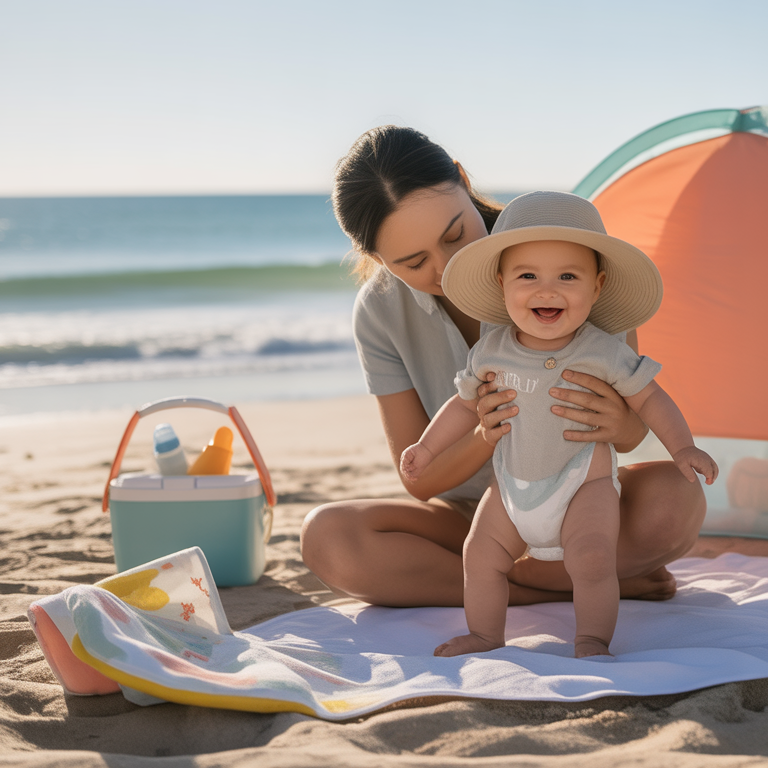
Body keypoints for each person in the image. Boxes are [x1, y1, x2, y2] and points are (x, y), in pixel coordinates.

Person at [299, 125, 708, 609]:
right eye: (412, 262)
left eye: (455, 234)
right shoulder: (380, 311)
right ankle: (544, 586)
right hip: (477, 519)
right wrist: (483, 434)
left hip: (580, 501)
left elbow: (631, 429)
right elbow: (420, 479)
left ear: (462, 179)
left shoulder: (566, 259)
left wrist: (621, 421)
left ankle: (519, 579)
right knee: (328, 538)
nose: (446, 267)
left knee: (678, 500)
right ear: (376, 259)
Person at [399, 191, 718, 657]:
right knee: (480, 555)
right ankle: (486, 634)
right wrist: (426, 449)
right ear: (502, 283)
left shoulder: (601, 350)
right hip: (510, 490)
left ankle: (591, 638)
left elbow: (650, 397)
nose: (547, 290)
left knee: (591, 559)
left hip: (582, 485)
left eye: (568, 276)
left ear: (598, 286)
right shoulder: (491, 351)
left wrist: (683, 447)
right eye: (527, 276)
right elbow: (464, 405)